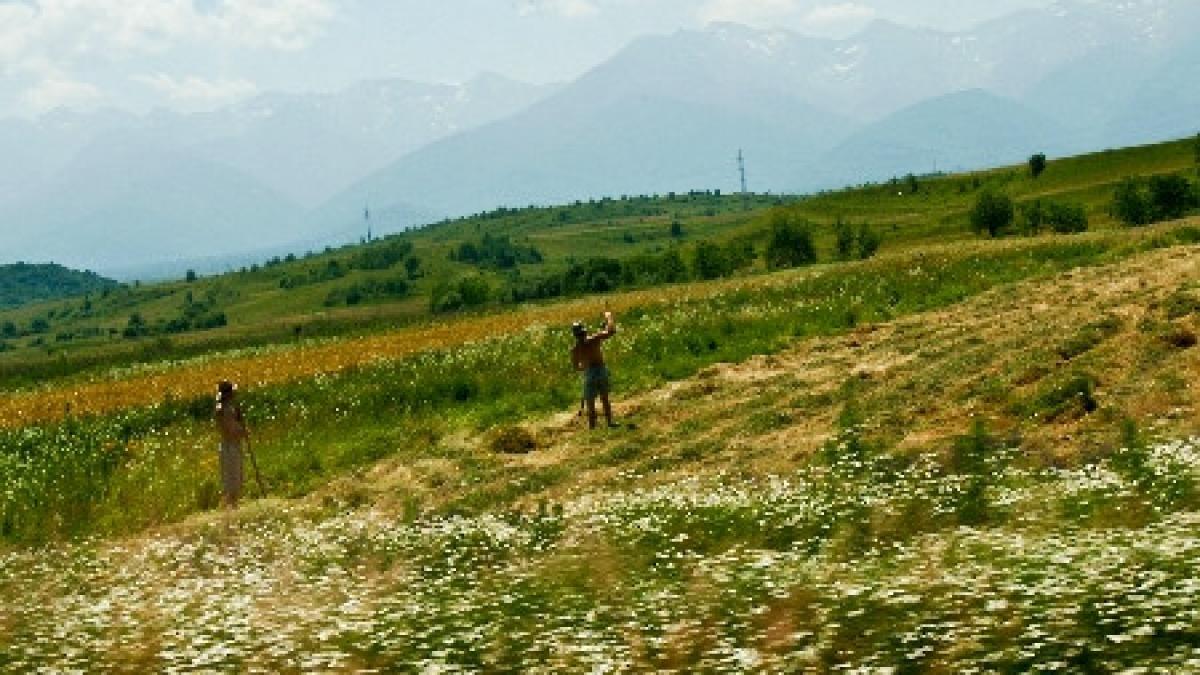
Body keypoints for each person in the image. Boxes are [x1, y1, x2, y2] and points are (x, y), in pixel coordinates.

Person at [571, 311, 617, 429]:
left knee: (590, 403)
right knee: (604, 398)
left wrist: (585, 368)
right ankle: (610, 422)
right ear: (584, 331)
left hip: (588, 374)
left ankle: (592, 427)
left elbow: (576, 367)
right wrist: (609, 317)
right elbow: (611, 331)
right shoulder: (594, 339)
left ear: (575, 335)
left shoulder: (575, 350)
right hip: (601, 371)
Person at [214, 380, 249, 509]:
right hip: (230, 447)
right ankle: (230, 508)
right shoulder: (225, 410)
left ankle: (233, 506)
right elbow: (230, 431)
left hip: (232, 446)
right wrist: (242, 431)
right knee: (232, 481)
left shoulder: (227, 409)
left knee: (235, 479)